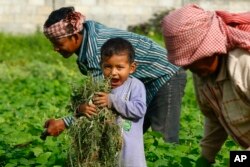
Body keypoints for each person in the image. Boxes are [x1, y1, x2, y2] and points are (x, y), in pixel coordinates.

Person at [42, 6, 187, 143]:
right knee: (124, 135)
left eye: (58, 43)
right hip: (142, 81)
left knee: (164, 139)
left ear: (74, 36)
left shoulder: (96, 49)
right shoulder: (86, 35)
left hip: (165, 73)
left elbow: (99, 99)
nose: (55, 48)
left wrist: (64, 122)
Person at [162, 4, 250, 166]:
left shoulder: (244, 64)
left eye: (192, 59)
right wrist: (205, 158)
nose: (188, 67)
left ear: (211, 48)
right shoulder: (203, 72)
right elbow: (216, 117)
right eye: (184, 62)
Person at [85, 37, 146, 166]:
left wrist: (112, 100)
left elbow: (139, 109)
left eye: (119, 67)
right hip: (106, 153)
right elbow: (89, 111)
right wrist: (83, 109)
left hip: (130, 155)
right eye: (108, 67)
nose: (113, 72)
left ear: (132, 67)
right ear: (101, 65)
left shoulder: (135, 85)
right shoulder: (99, 87)